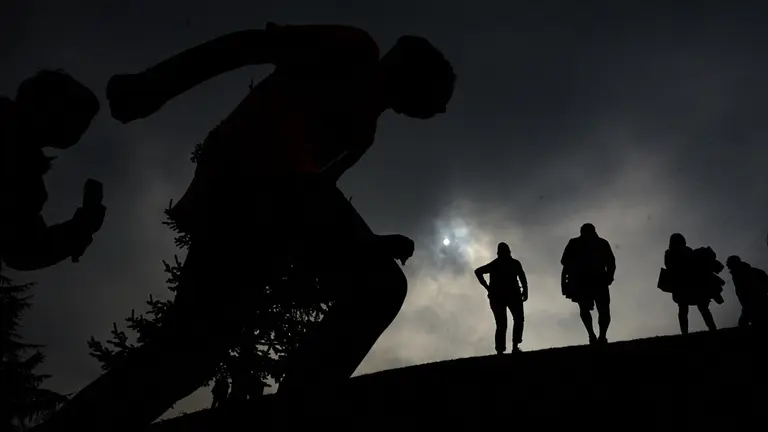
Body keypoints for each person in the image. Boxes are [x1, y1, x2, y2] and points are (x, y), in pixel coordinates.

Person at [35, 23, 455, 431]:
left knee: (191, 356)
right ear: (414, 77)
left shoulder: (364, 133)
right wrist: (156, 83)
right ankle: (301, 403)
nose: (438, 111)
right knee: (380, 286)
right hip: (243, 186)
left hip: (268, 223)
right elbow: (247, 46)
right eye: (437, 100)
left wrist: (360, 245)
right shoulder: (354, 50)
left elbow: (317, 201)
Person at [0, 70, 106, 271]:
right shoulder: (18, 167)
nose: (78, 133)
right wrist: (83, 227)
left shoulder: (22, 161)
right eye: (76, 120)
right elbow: (23, 251)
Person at [560, 223, 615, 345]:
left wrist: (609, 276)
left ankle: (598, 335)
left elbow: (611, 262)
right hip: (585, 281)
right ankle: (596, 335)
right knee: (597, 309)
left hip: (592, 280)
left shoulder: (598, 243)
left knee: (600, 309)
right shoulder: (600, 243)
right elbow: (565, 262)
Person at [474, 242, 528, 354]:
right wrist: (525, 291)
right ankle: (512, 347)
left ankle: (504, 349)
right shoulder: (512, 263)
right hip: (507, 295)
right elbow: (522, 277)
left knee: (504, 323)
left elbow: (478, 271)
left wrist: (487, 287)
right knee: (513, 321)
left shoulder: (496, 264)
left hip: (501, 296)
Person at [662, 233, 719, 335]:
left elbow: (696, 263)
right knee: (686, 309)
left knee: (701, 308)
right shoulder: (670, 253)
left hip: (693, 284)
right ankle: (686, 333)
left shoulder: (685, 251)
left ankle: (712, 329)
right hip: (683, 285)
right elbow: (669, 266)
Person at [726, 255, 768, 329]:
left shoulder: (743, 273)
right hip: (750, 304)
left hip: (755, 304)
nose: (727, 265)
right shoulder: (739, 273)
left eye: (729, 263)